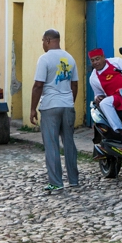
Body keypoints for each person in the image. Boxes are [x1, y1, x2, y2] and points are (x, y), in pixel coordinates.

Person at [30, 29, 79, 192]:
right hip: (67, 105)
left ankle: (56, 182)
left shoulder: (44, 59)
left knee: (51, 144)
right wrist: (70, 102)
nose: (43, 44)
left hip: (50, 105)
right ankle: (73, 180)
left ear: (49, 40)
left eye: (43, 41)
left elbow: (38, 85)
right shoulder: (70, 58)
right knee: (69, 143)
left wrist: (32, 108)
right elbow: (75, 85)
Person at [85, 48, 122, 138]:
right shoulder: (93, 78)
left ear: (103, 57)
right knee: (104, 103)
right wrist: (97, 98)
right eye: (92, 60)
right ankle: (120, 131)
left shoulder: (116, 62)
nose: (95, 62)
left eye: (97, 59)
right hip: (117, 97)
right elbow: (98, 94)